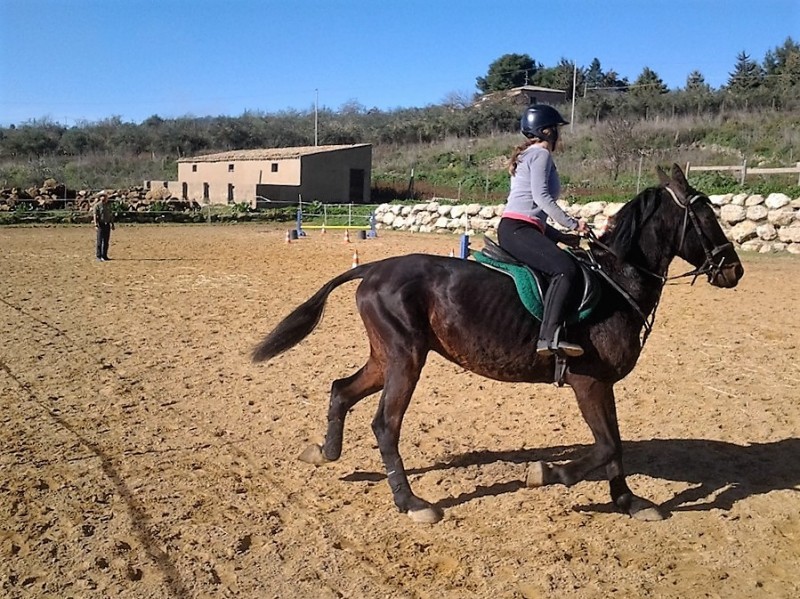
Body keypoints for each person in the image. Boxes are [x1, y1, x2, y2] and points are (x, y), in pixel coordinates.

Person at [497, 104, 588, 357]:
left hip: (521, 227)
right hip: (519, 229)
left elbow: (531, 210)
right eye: (557, 129)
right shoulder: (541, 155)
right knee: (565, 270)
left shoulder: (528, 155)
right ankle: (548, 337)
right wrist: (573, 223)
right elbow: (541, 198)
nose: (559, 135)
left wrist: (560, 237)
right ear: (547, 131)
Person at [92, 192, 115, 261]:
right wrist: (96, 224)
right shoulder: (97, 206)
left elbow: (110, 215)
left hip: (107, 224)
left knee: (106, 241)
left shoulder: (108, 206)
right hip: (101, 224)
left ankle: (105, 255)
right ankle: (98, 256)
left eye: (105, 196)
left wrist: (112, 224)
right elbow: (95, 215)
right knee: (99, 241)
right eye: (102, 196)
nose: (104, 198)